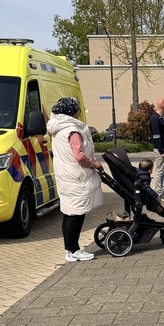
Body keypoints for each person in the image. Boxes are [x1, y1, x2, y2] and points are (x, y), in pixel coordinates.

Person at [48, 97, 103, 262]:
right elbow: (79, 155)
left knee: (69, 213)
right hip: (77, 176)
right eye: (78, 109)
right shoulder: (72, 130)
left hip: (65, 175)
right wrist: (93, 163)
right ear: (72, 112)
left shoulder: (57, 129)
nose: (80, 112)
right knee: (76, 214)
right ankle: (73, 250)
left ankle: (70, 250)